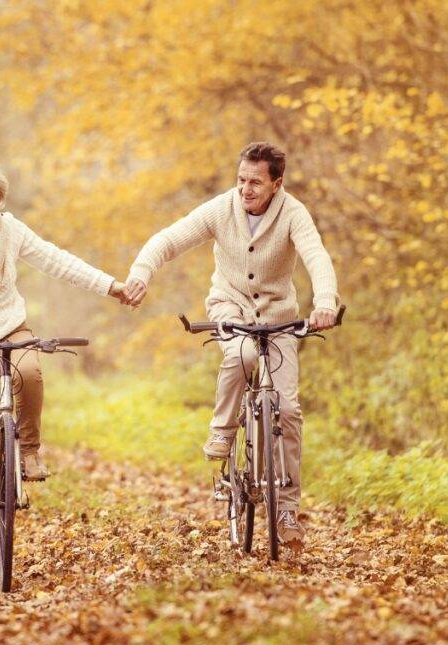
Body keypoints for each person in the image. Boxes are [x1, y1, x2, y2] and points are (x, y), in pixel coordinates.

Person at [123, 141, 339, 550]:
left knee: (289, 410)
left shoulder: (293, 213)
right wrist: (141, 273)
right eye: (241, 180)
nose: (246, 189)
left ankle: (287, 510)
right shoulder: (222, 209)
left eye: (255, 182)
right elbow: (169, 240)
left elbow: (317, 257)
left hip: (279, 320)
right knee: (239, 354)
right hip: (231, 308)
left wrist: (325, 302)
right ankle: (222, 431)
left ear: (276, 183)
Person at [0, 160, 128, 567]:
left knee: (30, 370)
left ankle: (28, 450)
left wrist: (111, 286)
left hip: (11, 328)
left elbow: (56, 260)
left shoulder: (10, 231)